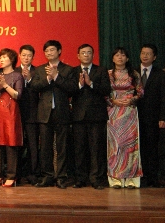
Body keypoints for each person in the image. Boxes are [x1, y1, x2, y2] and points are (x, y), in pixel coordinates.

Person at [30, 40, 73, 188]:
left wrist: (57, 77)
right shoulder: (40, 69)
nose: (49, 53)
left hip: (62, 112)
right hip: (44, 113)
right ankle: (47, 176)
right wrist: (48, 79)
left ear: (59, 51)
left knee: (62, 146)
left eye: (52, 50)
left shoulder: (67, 69)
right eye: (47, 51)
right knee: (45, 147)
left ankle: (61, 177)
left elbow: (72, 88)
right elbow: (34, 86)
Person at [69, 44, 112, 189]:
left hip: (97, 116)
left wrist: (91, 83)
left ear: (93, 55)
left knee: (96, 149)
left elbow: (106, 89)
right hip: (78, 116)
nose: (86, 55)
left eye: (89, 53)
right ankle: (80, 179)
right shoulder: (73, 71)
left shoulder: (101, 70)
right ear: (78, 56)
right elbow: (68, 90)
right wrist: (80, 85)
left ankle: (96, 179)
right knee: (79, 149)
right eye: (83, 53)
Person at [106, 47, 143, 188]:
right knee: (115, 145)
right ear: (113, 58)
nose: (120, 57)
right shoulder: (108, 74)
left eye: (122, 55)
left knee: (131, 145)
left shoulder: (134, 74)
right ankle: (115, 179)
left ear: (127, 58)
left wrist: (131, 100)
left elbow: (140, 92)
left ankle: (132, 180)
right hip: (114, 112)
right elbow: (104, 93)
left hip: (129, 112)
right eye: (117, 55)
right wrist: (113, 101)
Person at [0, 48, 23, 187]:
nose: (1, 60)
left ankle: (11, 176)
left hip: (11, 111)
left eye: (4, 57)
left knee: (11, 142)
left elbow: (17, 95)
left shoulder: (17, 76)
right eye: (0, 58)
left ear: (12, 59)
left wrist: (5, 85)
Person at [136, 44, 165, 187]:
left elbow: (163, 97)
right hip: (134, 117)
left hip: (153, 117)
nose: (145, 56)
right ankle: (140, 177)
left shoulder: (160, 74)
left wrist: (162, 117)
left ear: (154, 57)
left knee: (152, 147)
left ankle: (153, 177)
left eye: (148, 53)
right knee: (138, 147)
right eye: (143, 53)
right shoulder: (133, 72)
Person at [15, 45, 40, 185]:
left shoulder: (38, 71)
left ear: (33, 57)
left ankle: (32, 174)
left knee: (32, 145)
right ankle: (16, 174)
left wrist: (29, 79)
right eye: (24, 55)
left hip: (32, 113)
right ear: (19, 56)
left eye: (29, 55)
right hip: (16, 113)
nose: (26, 58)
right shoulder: (13, 71)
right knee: (17, 144)